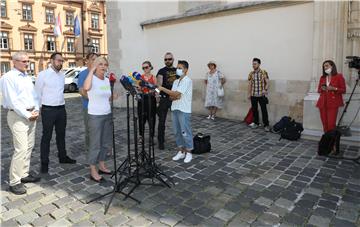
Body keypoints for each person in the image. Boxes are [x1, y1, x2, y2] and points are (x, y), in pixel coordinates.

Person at [0, 52, 40, 194]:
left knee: (29, 146)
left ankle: (24, 173)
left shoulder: (26, 77)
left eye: (28, 61)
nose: (27, 64)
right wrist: (28, 114)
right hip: (18, 116)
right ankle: (14, 181)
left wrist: (36, 109)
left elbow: (34, 96)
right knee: (21, 148)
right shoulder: (8, 78)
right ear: (14, 62)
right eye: (24, 61)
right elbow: (13, 101)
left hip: (30, 115)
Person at [35, 52, 76, 174]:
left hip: (61, 109)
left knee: (61, 134)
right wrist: (38, 109)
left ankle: (62, 157)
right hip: (48, 110)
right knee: (46, 137)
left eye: (62, 61)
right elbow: (37, 94)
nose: (61, 63)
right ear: (52, 61)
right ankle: (44, 163)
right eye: (58, 60)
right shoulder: (43, 75)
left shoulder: (62, 75)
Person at [83, 56, 114, 182]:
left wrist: (114, 96)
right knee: (95, 144)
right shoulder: (92, 79)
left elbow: (107, 96)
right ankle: (93, 170)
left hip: (107, 114)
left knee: (105, 142)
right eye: (100, 64)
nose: (103, 67)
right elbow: (86, 88)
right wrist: (91, 70)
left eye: (105, 65)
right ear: (95, 66)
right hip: (95, 116)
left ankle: (101, 165)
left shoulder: (106, 81)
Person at [157, 60, 194, 163]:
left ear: (185, 70)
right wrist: (175, 95)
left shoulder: (187, 80)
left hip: (184, 109)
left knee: (185, 131)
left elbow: (176, 94)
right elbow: (172, 96)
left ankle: (189, 152)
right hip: (175, 109)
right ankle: (181, 151)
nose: (177, 70)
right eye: (177, 68)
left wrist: (164, 89)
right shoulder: (176, 82)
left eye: (180, 68)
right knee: (177, 132)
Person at [77, 52, 99, 152]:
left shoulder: (100, 74)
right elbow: (82, 91)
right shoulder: (83, 74)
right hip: (89, 107)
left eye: (97, 59)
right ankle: (91, 149)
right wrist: (95, 100)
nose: (96, 61)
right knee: (90, 130)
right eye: (93, 59)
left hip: (101, 108)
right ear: (88, 61)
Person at [316, 60, 346, 132]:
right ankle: (327, 140)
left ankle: (332, 142)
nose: (325, 68)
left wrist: (334, 88)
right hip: (322, 103)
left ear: (332, 66)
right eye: (324, 67)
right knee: (324, 123)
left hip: (333, 103)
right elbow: (318, 90)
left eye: (327, 66)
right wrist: (322, 89)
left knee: (331, 124)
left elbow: (343, 90)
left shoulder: (339, 76)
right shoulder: (322, 77)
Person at [156, 52, 177, 150]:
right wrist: (157, 99)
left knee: (178, 120)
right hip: (164, 99)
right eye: (165, 59)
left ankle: (180, 140)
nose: (167, 61)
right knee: (162, 121)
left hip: (175, 99)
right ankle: (161, 141)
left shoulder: (178, 70)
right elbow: (158, 86)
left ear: (173, 59)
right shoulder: (161, 71)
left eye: (169, 59)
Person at [247, 58, 270, 132]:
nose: (253, 65)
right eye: (253, 64)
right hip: (253, 95)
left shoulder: (264, 72)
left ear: (259, 64)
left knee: (264, 110)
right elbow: (250, 84)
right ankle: (256, 123)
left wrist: (265, 90)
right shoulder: (251, 73)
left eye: (255, 64)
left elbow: (267, 82)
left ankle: (266, 125)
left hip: (261, 95)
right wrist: (249, 93)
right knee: (254, 110)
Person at [137, 61, 157, 143]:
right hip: (142, 99)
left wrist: (154, 91)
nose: (145, 69)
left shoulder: (154, 77)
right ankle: (141, 136)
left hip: (151, 99)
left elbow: (157, 89)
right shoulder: (140, 77)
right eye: (143, 68)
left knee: (151, 119)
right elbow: (138, 88)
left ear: (150, 67)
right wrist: (139, 88)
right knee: (141, 119)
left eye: (146, 67)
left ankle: (151, 137)